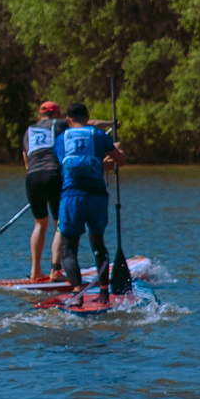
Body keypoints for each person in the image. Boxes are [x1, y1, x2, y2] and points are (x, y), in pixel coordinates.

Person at [52, 103, 126, 291]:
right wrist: (117, 148)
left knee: (68, 249)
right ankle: (103, 291)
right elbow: (120, 160)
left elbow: (66, 162)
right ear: (88, 117)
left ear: (68, 120)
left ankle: (77, 291)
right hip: (96, 197)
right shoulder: (98, 135)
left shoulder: (61, 138)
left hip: (71, 197)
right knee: (98, 244)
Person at [22, 99, 65, 280]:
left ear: (40, 115)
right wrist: (111, 124)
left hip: (32, 178)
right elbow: (85, 124)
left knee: (40, 223)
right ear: (57, 114)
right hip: (53, 175)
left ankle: (35, 272)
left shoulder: (29, 131)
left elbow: (26, 159)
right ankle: (56, 270)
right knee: (60, 224)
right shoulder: (59, 124)